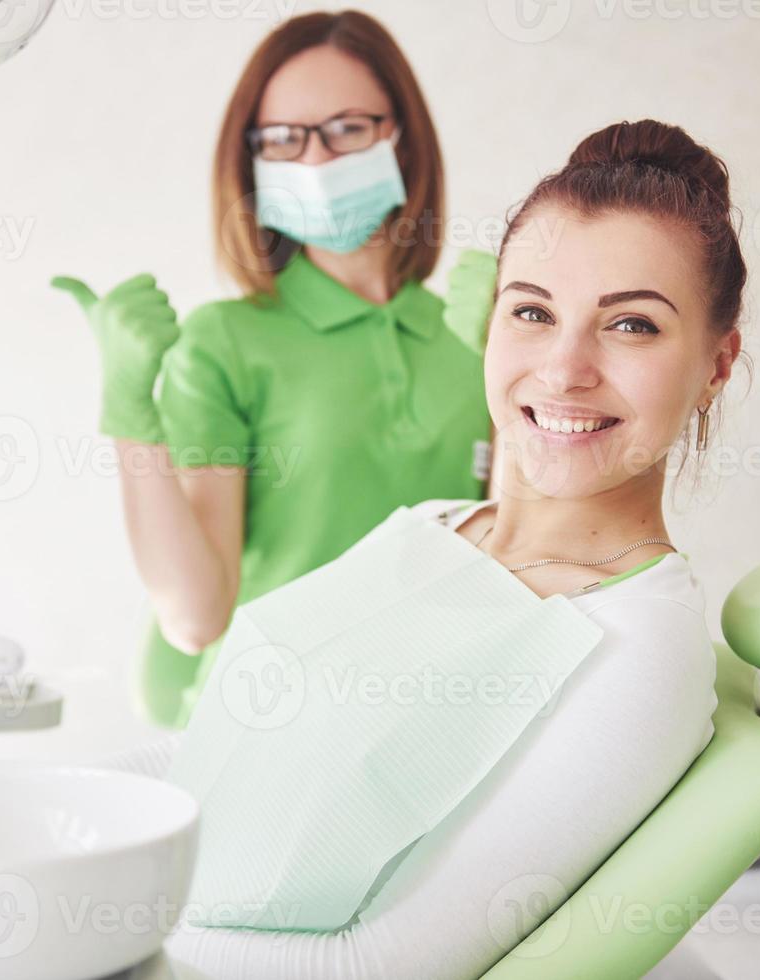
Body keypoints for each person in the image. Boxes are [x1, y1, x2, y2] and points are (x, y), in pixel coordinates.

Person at [94, 117, 747, 979]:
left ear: (715, 364)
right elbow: (216, 744)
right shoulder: (437, 523)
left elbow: (380, 966)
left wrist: (104, 934)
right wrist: (55, 823)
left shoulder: (635, 646)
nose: (561, 368)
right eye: (531, 311)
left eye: (630, 326)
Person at [52, 10, 493, 730]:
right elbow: (195, 621)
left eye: (346, 128)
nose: (315, 162)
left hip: (433, 722)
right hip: (266, 725)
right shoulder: (226, 341)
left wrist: (530, 359)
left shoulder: (469, 338)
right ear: (252, 160)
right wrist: (130, 411)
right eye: (284, 138)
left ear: (400, 137)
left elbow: (526, 563)